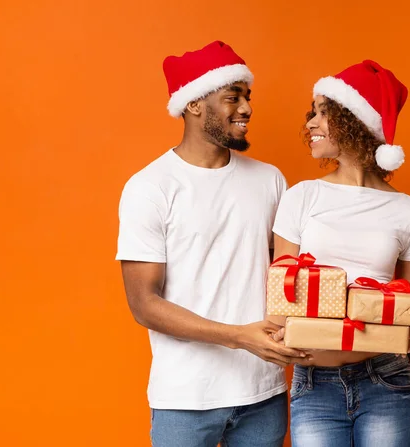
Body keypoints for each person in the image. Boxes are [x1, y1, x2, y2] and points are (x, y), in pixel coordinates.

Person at [116, 40, 306, 447]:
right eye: (232, 97)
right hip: (185, 398)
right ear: (194, 105)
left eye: (247, 97)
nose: (247, 109)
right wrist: (239, 336)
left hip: (264, 394)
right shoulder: (149, 188)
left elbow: (289, 278)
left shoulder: (270, 180)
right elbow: (143, 304)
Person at [272, 60, 410, 446]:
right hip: (315, 384)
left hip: (387, 380)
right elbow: (279, 303)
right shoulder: (301, 197)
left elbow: (408, 313)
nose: (310, 122)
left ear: (355, 121)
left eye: (323, 112)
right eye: (313, 112)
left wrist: (402, 314)